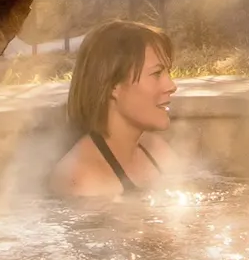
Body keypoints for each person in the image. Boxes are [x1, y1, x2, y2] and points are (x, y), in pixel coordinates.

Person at [50, 20, 178, 195]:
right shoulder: (81, 179)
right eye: (156, 73)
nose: (171, 86)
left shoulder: (156, 150)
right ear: (113, 86)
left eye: (167, 73)